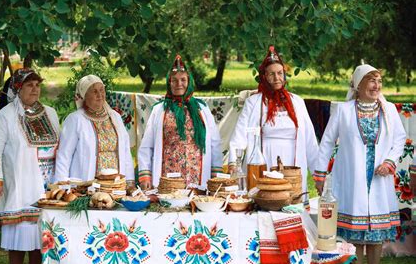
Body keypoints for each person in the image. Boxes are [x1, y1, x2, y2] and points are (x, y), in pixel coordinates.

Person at [314, 64, 406, 264]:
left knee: (375, 231)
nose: (377, 86)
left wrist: (390, 162)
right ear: (358, 84)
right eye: (371, 80)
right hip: (351, 178)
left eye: (379, 81)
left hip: (378, 177)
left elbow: (399, 139)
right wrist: (319, 173)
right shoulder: (343, 110)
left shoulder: (389, 110)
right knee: (355, 230)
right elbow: (326, 142)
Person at [0, 68, 59, 264]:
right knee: (19, 234)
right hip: (19, 181)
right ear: (18, 88)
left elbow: (59, 146)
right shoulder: (6, 116)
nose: (35, 89)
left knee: (40, 234)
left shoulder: (50, 113)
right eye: (29, 85)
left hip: (45, 183)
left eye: (37, 85)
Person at [229, 46, 318, 198]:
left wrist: (318, 173)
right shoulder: (254, 102)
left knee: (291, 201)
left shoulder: (297, 102)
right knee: (265, 199)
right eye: (271, 74)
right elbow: (240, 134)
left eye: (280, 73)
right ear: (264, 77)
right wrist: (233, 163)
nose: (277, 78)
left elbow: (309, 139)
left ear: (284, 75)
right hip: (264, 160)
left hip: (292, 163)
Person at [138, 55, 222, 189]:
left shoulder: (202, 109)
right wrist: (145, 175)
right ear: (169, 83)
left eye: (183, 80)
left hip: (198, 177)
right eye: (174, 80)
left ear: (189, 81)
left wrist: (216, 174)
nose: (179, 84)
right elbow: (147, 146)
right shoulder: (159, 110)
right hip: (167, 177)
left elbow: (215, 144)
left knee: (196, 204)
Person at [55, 75, 134, 182]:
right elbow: (64, 155)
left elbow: (125, 151)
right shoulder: (75, 119)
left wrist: (130, 181)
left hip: (116, 185)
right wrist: (62, 185)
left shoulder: (115, 117)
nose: (100, 95)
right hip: (86, 186)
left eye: (102, 90)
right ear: (84, 96)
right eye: (94, 91)